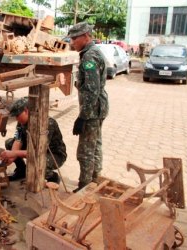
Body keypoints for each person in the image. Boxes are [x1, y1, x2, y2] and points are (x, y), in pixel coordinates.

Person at [67, 22, 109, 193]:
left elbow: (91, 90)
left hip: (92, 111)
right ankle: (95, 179)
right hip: (99, 107)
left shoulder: (89, 57)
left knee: (85, 151)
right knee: (95, 144)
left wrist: (82, 117)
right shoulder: (93, 52)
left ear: (85, 36)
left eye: (75, 38)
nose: (72, 42)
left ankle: (84, 187)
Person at [0, 97, 67, 184]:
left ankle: (52, 177)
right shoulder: (21, 122)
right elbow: (18, 140)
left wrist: (14, 153)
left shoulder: (47, 123)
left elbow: (37, 152)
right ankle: (21, 171)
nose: (16, 119)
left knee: (38, 163)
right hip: (34, 147)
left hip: (54, 154)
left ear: (26, 111)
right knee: (9, 143)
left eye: (17, 115)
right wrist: (11, 158)